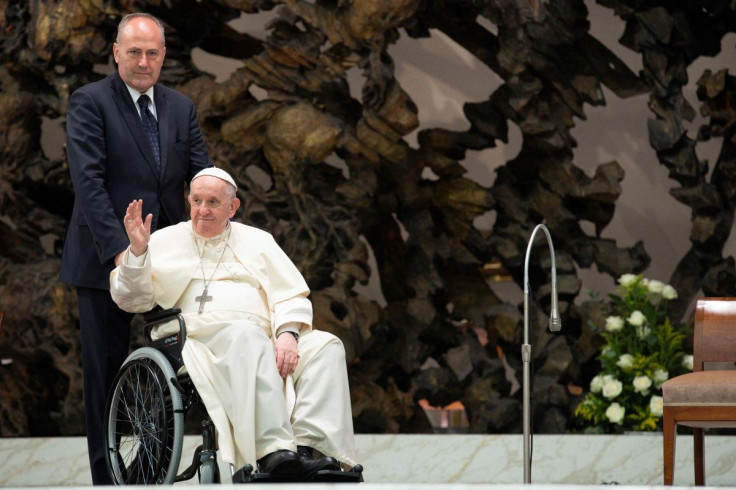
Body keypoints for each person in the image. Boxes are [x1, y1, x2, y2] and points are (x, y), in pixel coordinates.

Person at [109, 167, 358, 480]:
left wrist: (287, 334)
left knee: (326, 347)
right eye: (196, 200)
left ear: (232, 207)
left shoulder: (259, 241)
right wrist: (138, 251)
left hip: (265, 336)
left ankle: (305, 449)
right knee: (246, 335)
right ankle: (273, 452)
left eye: (213, 202)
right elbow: (131, 299)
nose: (202, 210)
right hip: (199, 340)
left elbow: (290, 294)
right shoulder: (163, 240)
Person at [58, 12, 212, 485]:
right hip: (106, 261)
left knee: (173, 372)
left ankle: (154, 472)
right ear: (116, 54)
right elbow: (89, 184)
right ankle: (109, 480)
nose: (143, 61)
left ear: (163, 56)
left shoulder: (181, 107)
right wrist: (122, 251)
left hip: (168, 264)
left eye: (152, 53)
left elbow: (202, 177)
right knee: (105, 377)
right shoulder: (90, 103)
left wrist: (214, 232)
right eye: (134, 52)